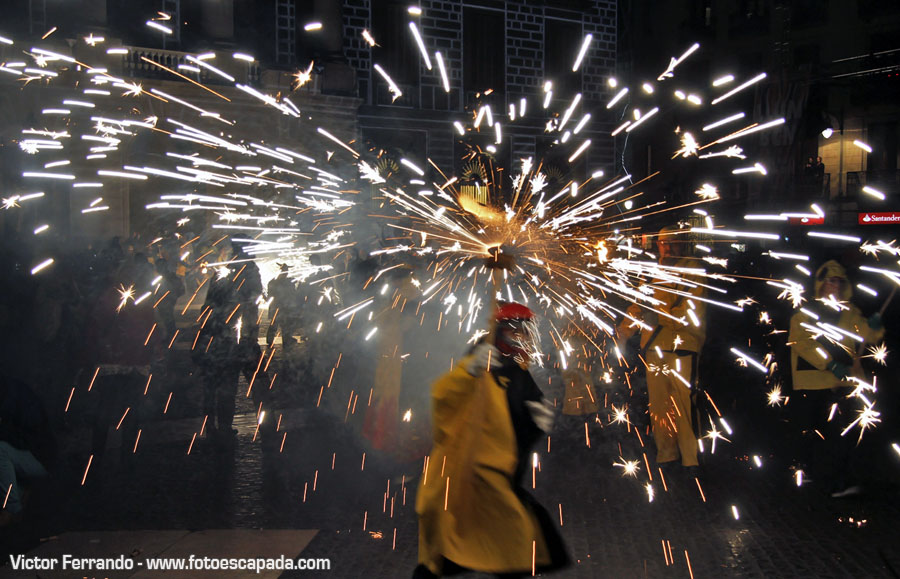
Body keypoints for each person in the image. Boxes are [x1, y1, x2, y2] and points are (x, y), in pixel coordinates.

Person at [414, 303, 569, 578]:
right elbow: (445, 399)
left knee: (510, 535)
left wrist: (537, 419)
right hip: (465, 468)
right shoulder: (480, 357)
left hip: (496, 471)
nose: (521, 337)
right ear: (502, 331)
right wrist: (469, 372)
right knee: (455, 536)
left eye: (524, 331)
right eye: (515, 331)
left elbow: (523, 407)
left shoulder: (517, 368)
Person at [788, 260, 884, 497]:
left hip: (844, 382)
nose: (836, 286)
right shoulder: (805, 313)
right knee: (814, 432)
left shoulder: (850, 312)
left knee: (842, 434)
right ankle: (812, 476)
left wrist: (875, 327)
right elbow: (801, 343)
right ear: (821, 283)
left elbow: (867, 337)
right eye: (831, 281)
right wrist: (829, 363)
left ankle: (836, 480)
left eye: (839, 281)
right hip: (812, 382)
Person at [618, 225, 706, 471]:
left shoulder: (693, 269)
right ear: (658, 245)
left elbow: (691, 311)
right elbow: (639, 304)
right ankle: (666, 455)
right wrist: (626, 328)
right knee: (659, 405)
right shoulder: (652, 271)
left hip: (683, 346)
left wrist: (659, 315)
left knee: (684, 405)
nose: (668, 247)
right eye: (663, 243)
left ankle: (691, 460)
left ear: (682, 244)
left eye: (673, 243)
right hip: (655, 346)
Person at [0, 376, 55, 525]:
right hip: (29, 457)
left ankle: (12, 509)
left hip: (41, 460)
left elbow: (22, 440)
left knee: (0, 451)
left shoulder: (16, 400)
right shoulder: (11, 395)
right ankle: (19, 496)